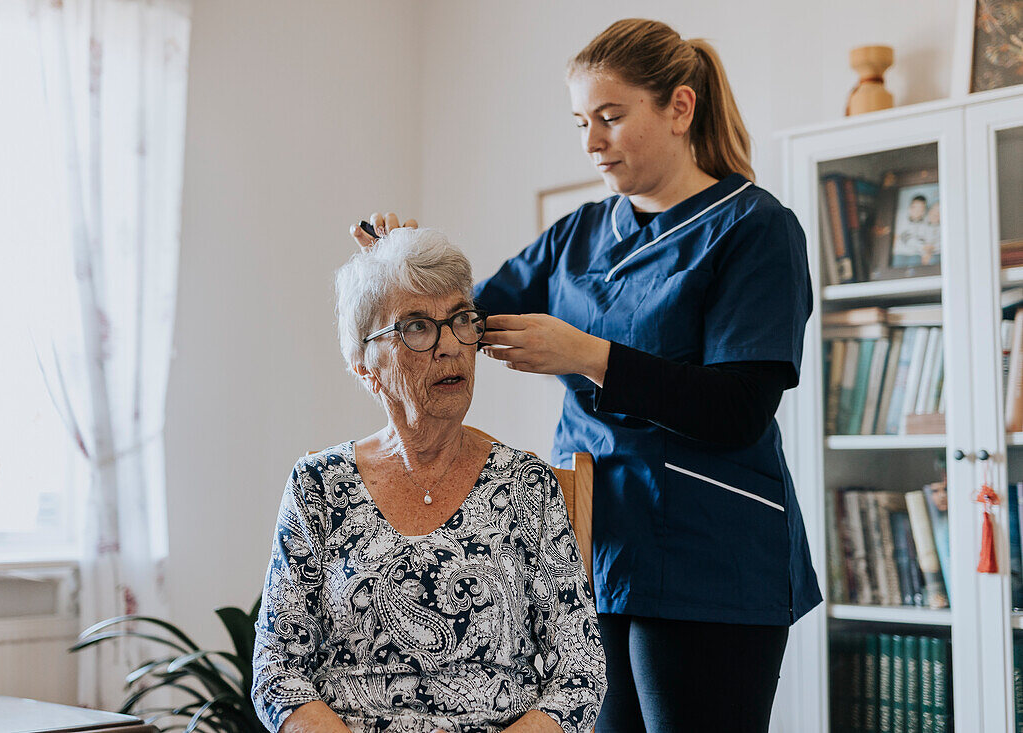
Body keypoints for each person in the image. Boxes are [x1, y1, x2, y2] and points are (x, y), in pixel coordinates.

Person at [351, 18, 821, 733]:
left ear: (680, 107)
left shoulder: (753, 228)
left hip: (709, 559)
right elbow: (464, 319)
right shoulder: (579, 233)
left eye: (610, 117)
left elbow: (739, 409)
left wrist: (587, 354)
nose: (592, 142)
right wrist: (403, 259)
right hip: (593, 547)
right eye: (581, 122)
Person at [252, 228, 606, 733]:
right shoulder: (319, 486)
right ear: (366, 366)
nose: (450, 347)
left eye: (462, 320)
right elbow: (277, 673)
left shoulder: (527, 485)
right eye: (416, 327)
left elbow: (580, 675)